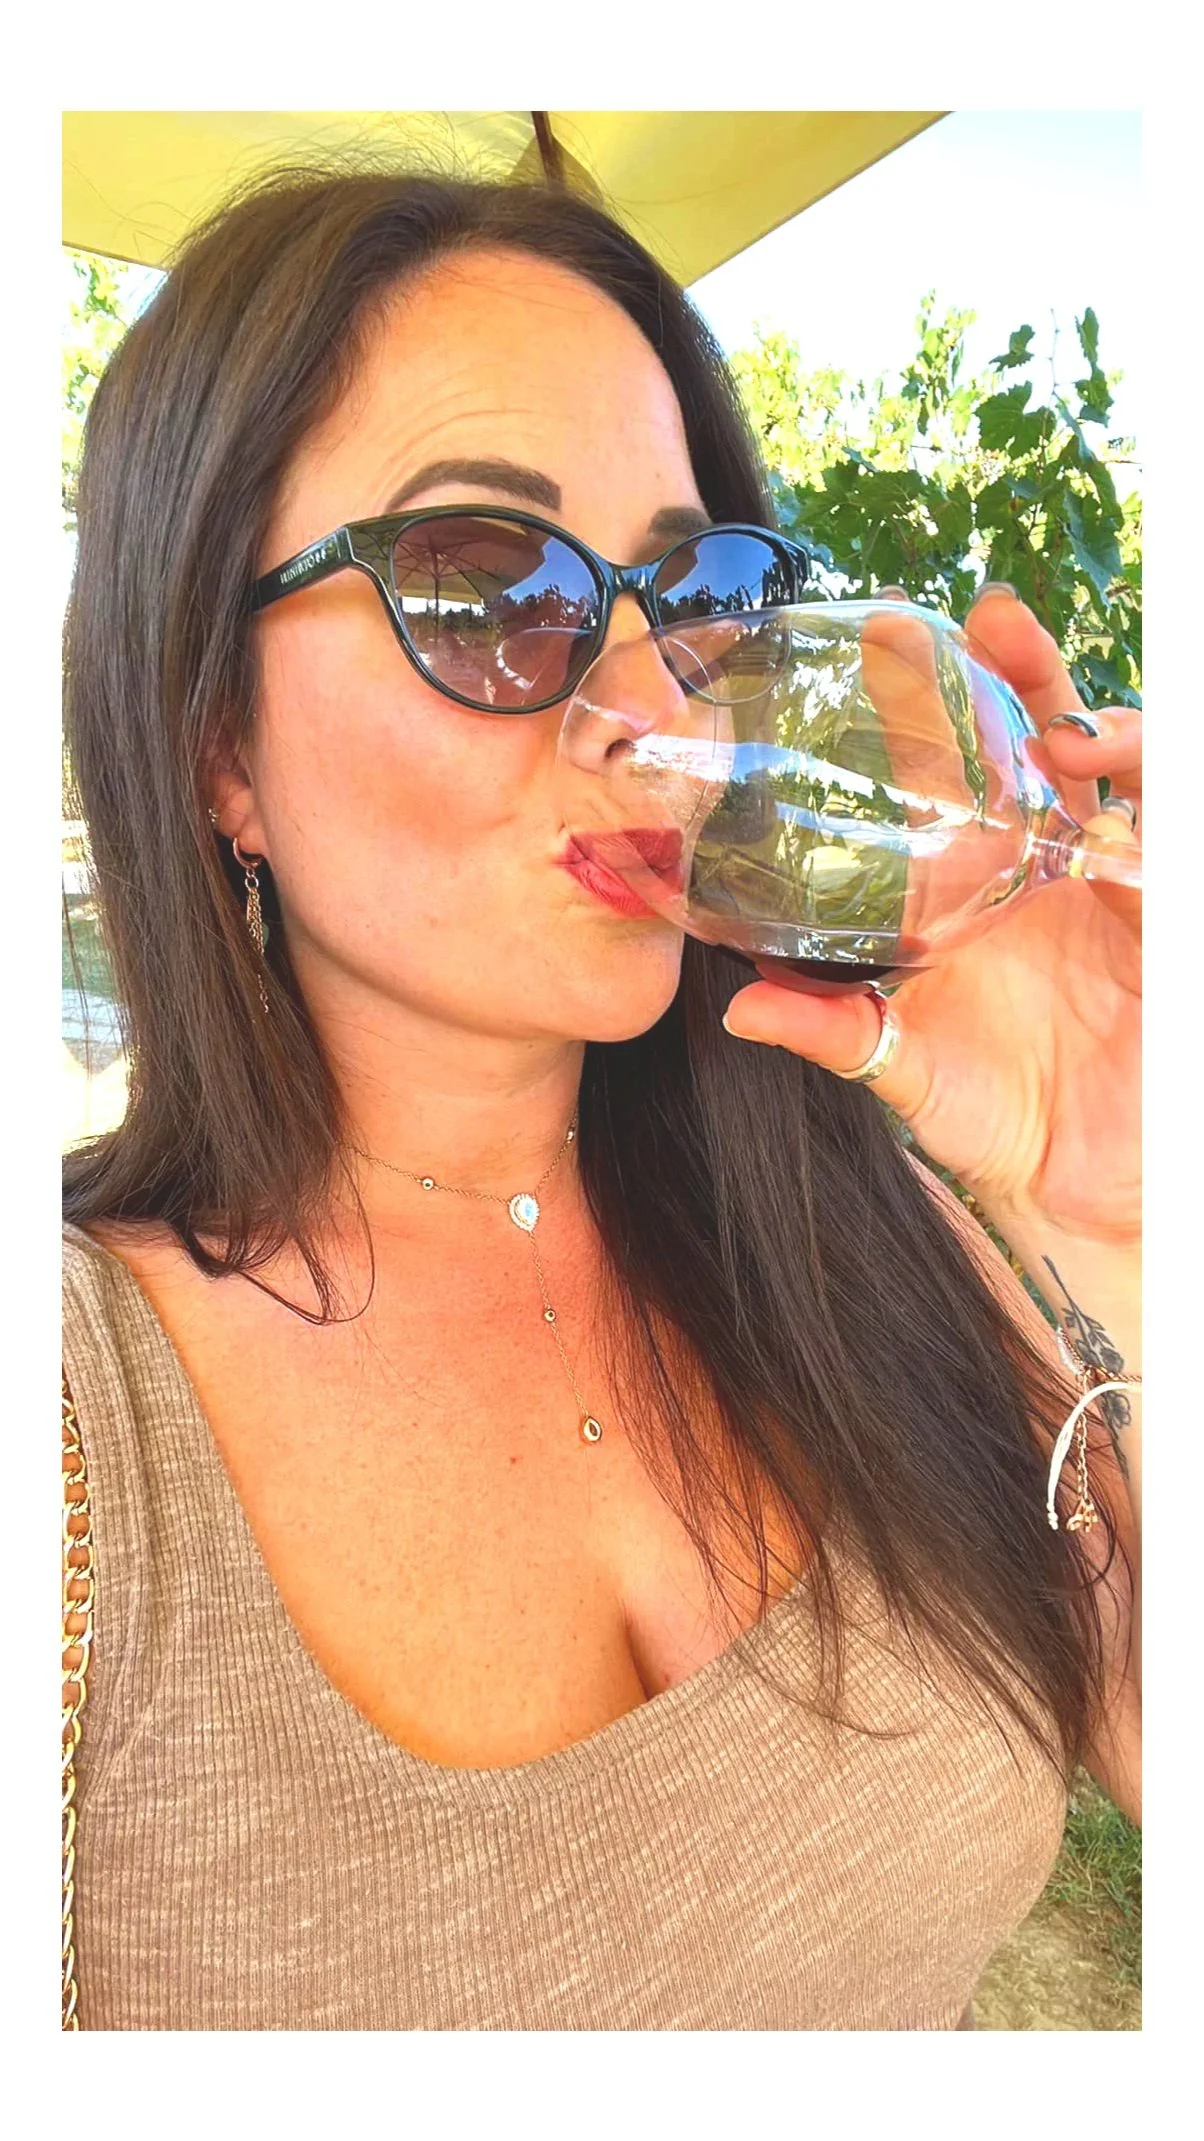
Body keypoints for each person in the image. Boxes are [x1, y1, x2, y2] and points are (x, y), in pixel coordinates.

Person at [61, 166, 1141, 2032]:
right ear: (212, 742)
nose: (663, 700)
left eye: (702, 590)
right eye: (491, 589)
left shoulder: (860, 1232)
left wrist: (1121, 1222)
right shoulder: (76, 1434)